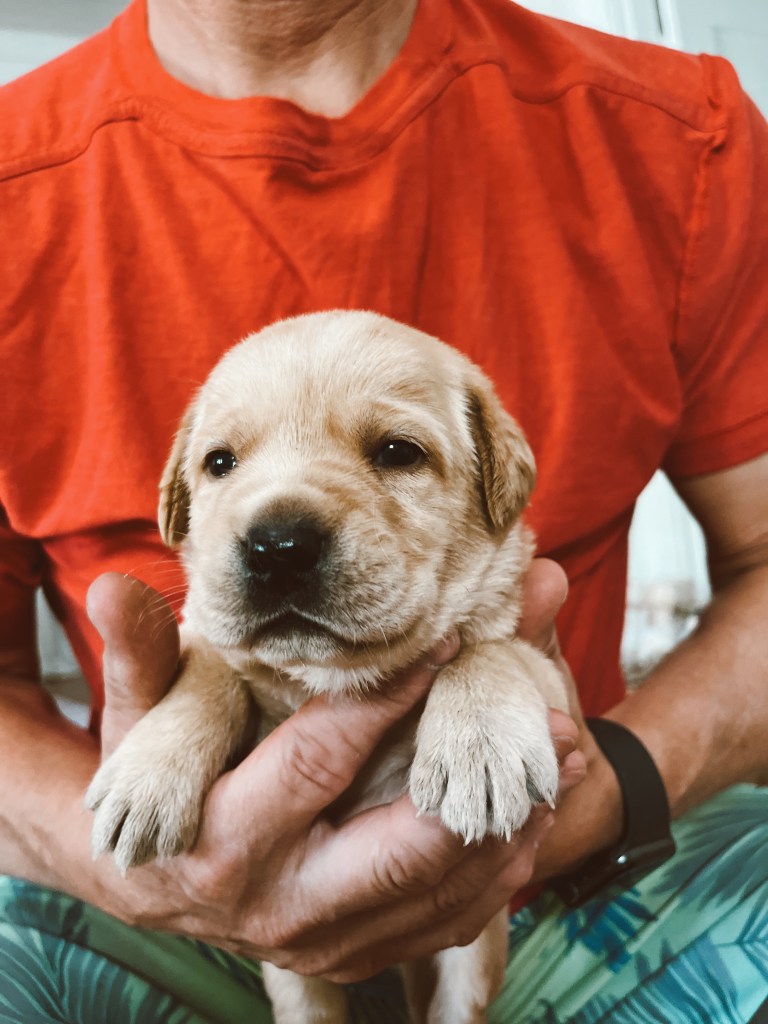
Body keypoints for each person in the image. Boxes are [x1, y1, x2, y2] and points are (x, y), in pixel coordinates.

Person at [0, 0, 766, 1020]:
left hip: (562, 879)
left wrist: (607, 787)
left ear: (500, 480)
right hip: (163, 907)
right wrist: (123, 852)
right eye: (224, 461)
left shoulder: (674, 133)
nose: (281, 529)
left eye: (396, 450)